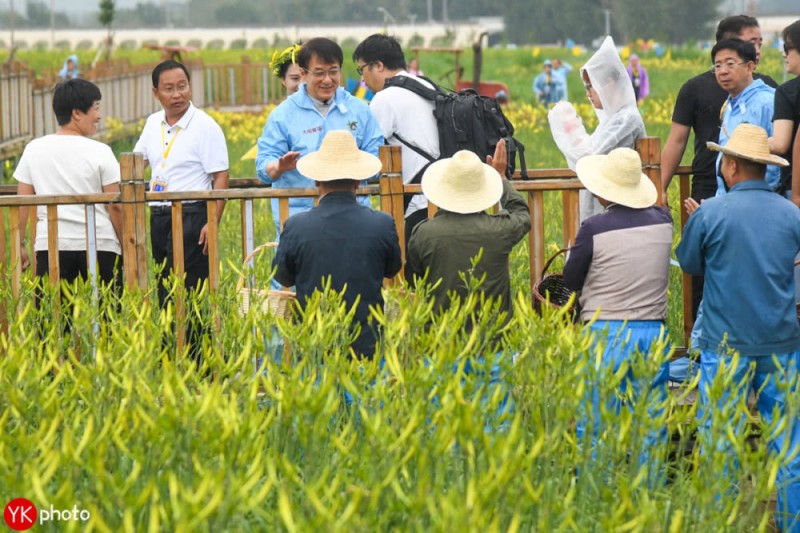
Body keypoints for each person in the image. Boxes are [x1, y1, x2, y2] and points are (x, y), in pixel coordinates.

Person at [675, 124, 799, 532]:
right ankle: (791, 521)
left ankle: (724, 521)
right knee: (788, 441)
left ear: (729, 165)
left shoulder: (711, 212)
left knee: (719, 439)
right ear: (765, 168)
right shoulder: (791, 213)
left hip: (724, 343)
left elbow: (691, 264)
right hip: (780, 340)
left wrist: (698, 224)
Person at [660, 14, 778, 345]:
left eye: (730, 63)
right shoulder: (715, 97)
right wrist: (661, 190)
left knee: (752, 278)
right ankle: (708, 348)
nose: (723, 70)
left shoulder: (767, 97)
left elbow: (776, 153)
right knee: (712, 275)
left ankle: (738, 349)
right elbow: (677, 141)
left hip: (755, 203)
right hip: (717, 197)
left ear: (748, 65)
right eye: (718, 64)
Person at [562, 147, 672, 478]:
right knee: (649, 424)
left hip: (604, 333)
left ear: (604, 189)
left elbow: (570, 280)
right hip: (653, 332)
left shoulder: (593, 228)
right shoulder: (663, 221)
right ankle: (649, 498)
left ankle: (595, 497)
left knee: (596, 423)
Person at [405, 140, 529, 432]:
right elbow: (522, 214)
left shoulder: (424, 234)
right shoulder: (499, 230)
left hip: (441, 345)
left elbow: (415, 278)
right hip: (493, 343)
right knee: (496, 428)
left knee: (442, 427)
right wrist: (501, 180)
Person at [272, 130, 402, 360]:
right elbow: (392, 269)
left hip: (314, 343)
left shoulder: (296, 225)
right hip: (367, 344)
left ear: (317, 180)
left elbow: (283, 277)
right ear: (358, 181)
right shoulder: (382, 223)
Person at [133, 59, 229, 359]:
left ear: (190, 86)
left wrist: (211, 222)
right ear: (156, 93)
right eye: (169, 89)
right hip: (159, 214)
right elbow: (138, 161)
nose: (177, 94)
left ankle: (198, 358)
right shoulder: (152, 123)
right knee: (164, 284)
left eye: (182, 86)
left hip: (191, 213)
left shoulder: (205, 126)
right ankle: (170, 354)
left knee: (192, 288)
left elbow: (220, 177)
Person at [256, 37, 384, 242]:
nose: (327, 79)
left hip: (353, 219)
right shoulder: (283, 115)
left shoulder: (360, 110)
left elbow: (377, 158)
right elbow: (263, 167)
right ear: (304, 74)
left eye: (333, 71)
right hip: (300, 221)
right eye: (319, 73)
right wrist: (278, 167)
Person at [15, 78, 122, 295]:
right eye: (96, 108)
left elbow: (22, 201)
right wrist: (126, 243)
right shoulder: (101, 151)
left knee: (53, 322)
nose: (99, 116)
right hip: (99, 243)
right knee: (107, 323)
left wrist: (20, 243)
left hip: (52, 245)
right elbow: (115, 206)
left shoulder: (34, 149)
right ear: (77, 113)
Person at [548, 36, 646, 223]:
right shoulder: (612, 119)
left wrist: (567, 126)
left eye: (589, 87)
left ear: (607, 83)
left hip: (620, 211)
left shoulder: (626, 119)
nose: (588, 95)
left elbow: (588, 157)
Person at [353, 33, 438, 244]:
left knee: (407, 273)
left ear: (378, 65)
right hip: (445, 195)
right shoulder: (427, 86)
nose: (362, 78)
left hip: (417, 204)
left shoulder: (384, 98)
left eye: (361, 69)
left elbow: (366, 155)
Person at [240, 44, 304, 161]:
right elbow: (265, 163)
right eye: (295, 79)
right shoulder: (278, 117)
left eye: (306, 77)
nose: (301, 84)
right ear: (283, 80)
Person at [772, 20, 800, 203]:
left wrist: (741, 143)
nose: (784, 54)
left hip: (794, 188)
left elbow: (780, 143)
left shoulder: (787, 92)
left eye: (787, 47)